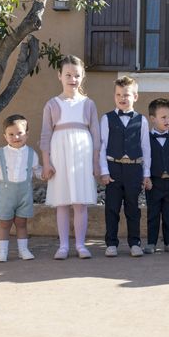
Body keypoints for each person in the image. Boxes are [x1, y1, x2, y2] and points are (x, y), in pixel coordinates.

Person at [40, 55, 101, 260]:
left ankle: (81, 245)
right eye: (68, 75)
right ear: (59, 76)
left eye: (76, 75)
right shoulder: (52, 104)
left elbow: (96, 135)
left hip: (82, 154)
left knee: (80, 202)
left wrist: (95, 163)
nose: (72, 79)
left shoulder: (88, 104)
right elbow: (46, 135)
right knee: (62, 201)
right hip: (60, 154)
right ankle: (64, 246)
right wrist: (47, 163)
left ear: (82, 77)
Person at [0, 115, 42, 262]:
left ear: (27, 134)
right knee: (4, 223)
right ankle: (2, 251)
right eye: (11, 134)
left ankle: (23, 250)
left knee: (21, 223)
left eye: (19, 133)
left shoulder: (32, 154)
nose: (16, 137)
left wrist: (45, 174)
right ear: (5, 136)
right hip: (6, 194)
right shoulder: (0, 153)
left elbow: (37, 170)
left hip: (24, 194)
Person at [99, 76, 151, 257]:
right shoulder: (107, 118)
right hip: (113, 167)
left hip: (133, 169)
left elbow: (146, 148)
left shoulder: (142, 120)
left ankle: (134, 243)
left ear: (135, 96)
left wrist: (146, 174)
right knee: (112, 207)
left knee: (133, 208)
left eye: (126, 95)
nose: (122, 98)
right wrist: (104, 171)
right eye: (118, 94)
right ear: (114, 96)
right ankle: (111, 243)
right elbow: (102, 146)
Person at [144, 98, 169, 254]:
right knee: (153, 213)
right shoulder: (146, 138)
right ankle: (151, 243)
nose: (168, 120)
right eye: (163, 117)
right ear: (153, 119)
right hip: (153, 182)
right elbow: (145, 160)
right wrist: (146, 177)